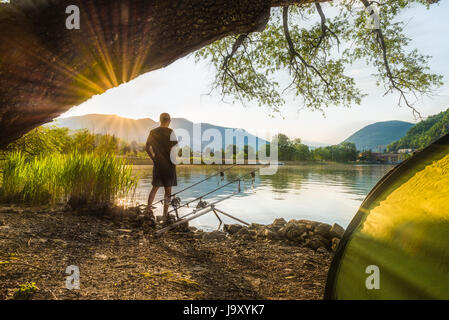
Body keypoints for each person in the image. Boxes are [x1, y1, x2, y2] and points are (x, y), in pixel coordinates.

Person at [145, 113, 178, 224]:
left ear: (160, 120)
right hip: (169, 164)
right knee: (168, 191)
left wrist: (153, 158)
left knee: (154, 187)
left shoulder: (153, 132)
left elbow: (147, 147)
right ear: (169, 121)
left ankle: (148, 210)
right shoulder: (171, 132)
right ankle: (164, 215)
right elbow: (175, 149)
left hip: (158, 163)